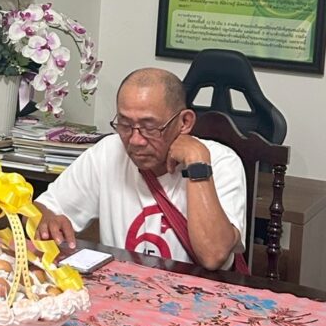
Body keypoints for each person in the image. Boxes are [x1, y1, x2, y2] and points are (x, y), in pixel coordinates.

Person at [35, 68, 246, 271]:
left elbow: (213, 256)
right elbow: (41, 209)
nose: (135, 140)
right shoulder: (108, 151)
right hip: (122, 288)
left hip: (196, 292)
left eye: (150, 127)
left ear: (184, 122)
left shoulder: (221, 161)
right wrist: (45, 218)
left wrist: (197, 161)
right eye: (125, 124)